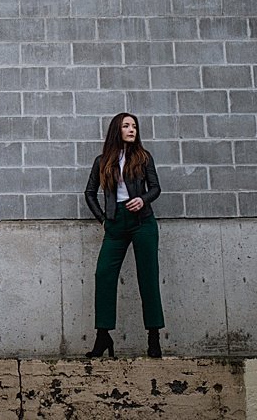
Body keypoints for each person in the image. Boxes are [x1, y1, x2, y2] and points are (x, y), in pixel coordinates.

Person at [83, 112, 164, 358]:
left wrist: (142, 199)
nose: (132, 130)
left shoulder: (143, 157)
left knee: (147, 278)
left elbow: (156, 188)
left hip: (143, 223)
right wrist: (103, 220)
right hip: (115, 224)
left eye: (135, 126)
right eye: (126, 126)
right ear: (116, 129)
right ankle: (103, 336)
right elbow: (89, 193)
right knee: (104, 275)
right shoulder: (102, 161)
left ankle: (153, 337)